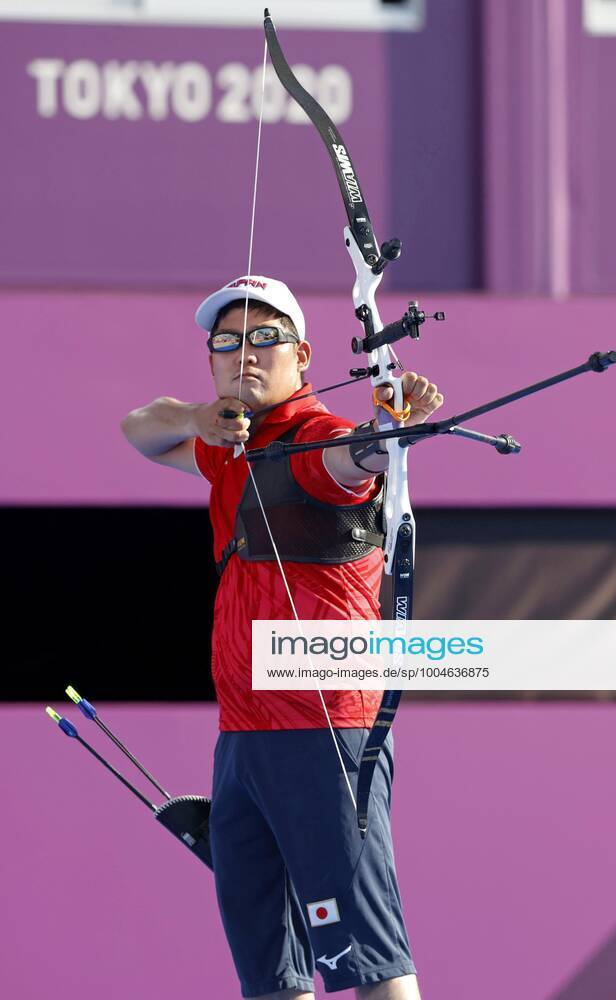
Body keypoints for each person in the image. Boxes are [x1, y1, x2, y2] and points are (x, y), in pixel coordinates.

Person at [120, 275, 444, 1000]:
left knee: (371, 958)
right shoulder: (228, 444)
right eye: (227, 343)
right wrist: (201, 417)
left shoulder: (312, 438)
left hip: (321, 724)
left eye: (265, 339)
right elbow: (139, 429)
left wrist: (387, 434)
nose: (245, 354)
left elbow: (351, 460)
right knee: (273, 972)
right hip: (243, 735)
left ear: (303, 356)